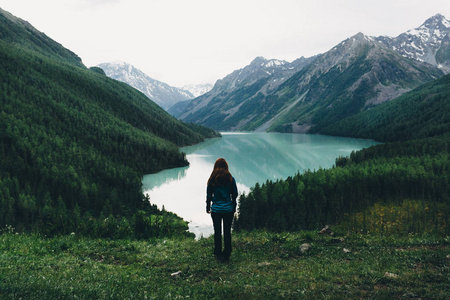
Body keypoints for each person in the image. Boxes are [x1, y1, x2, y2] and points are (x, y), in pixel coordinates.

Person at [206, 158, 238, 262]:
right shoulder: (230, 179)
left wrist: (208, 207)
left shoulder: (212, 179)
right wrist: (233, 205)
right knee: (227, 231)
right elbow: (235, 194)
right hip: (228, 209)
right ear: (226, 166)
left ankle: (218, 253)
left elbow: (209, 195)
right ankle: (227, 252)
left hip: (216, 210)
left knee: (217, 231)